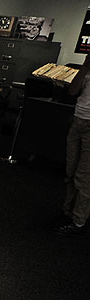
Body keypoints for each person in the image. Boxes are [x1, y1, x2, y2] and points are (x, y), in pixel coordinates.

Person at [56, 54, 90, 236]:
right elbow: (72, 91)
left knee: (84, 177)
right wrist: (85, 67)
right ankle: (67, 211)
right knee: (70, 171)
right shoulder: (87, 68)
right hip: (78, 120)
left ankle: (78, 221)